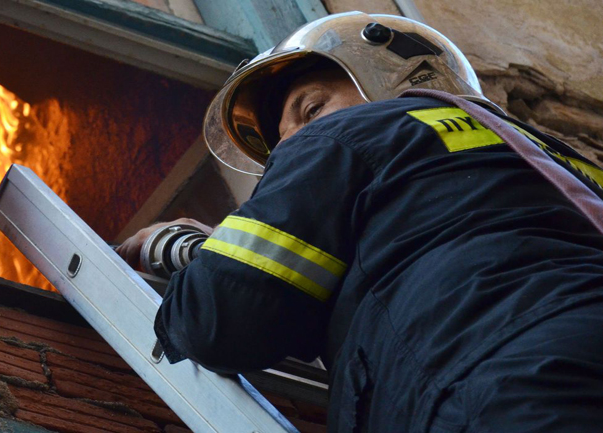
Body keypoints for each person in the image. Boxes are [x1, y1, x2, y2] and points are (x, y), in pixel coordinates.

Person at [118, 12, 603, 432]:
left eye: (310, 110)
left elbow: (221, 316)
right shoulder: (566, 166)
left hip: (511, 382)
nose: (289, 147)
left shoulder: (355, 133)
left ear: (389, 77)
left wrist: (173, 242)